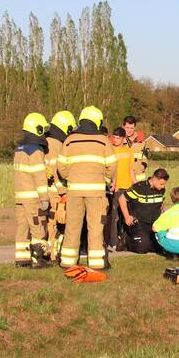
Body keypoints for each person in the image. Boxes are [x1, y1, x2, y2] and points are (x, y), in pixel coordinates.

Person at [57, 106, 116, 270]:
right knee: (95, 227)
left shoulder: (69, 140)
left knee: (72, 227)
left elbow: (61, 166)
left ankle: (68, 261)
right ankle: (96, 263)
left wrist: (70, 178)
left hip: (74, 190)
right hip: (96, 192)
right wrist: (104, 180)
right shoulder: (103, 140)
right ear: (97, 121)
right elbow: (112, 165)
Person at [13, 113, 51, 267]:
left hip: (20, 197)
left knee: (22, 228)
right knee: (37, 228)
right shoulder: (35, 150)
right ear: (38, 129)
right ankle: (37, 259)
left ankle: (21, 259)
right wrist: (44, 198)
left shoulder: (19, 149)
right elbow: (39, 177)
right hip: (32, 198)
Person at [44, 110, 76, 260]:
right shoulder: (56, 145)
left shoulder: (46, 141)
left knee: (48, 223)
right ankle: (53, 254)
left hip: (45, 190)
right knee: (56, 224)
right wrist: (64, 191)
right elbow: (56, 170)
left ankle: (47, 251)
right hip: (55, 192)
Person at [118, 168, 169, 253]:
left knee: (161, 247)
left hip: (154, 224)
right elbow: (121, 199)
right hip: (139, 223)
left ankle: (149, 241)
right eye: (161, 184)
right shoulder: (139, 187)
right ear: (155, 179)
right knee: (142, 249)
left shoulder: (161, 190)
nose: (163, 186)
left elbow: (161, 203)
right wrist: (127, 217)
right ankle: (126, 239)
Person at [105, 127, 137, 250]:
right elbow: (112, 170)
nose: (115, 140)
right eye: (114, 137)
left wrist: (136, 185)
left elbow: (131, 170)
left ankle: (126, 239)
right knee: (114, 216)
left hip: (128, 188)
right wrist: (114, 184)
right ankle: (113, 241)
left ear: (123, 139)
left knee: (127, 215)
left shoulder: (129, 151)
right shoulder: (110, 150)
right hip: (117, 188)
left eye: (118, 138)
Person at [123, 116, 149, 183]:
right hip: (124, 177)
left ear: (135, 127)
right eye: (127, 128)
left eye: (131, 128)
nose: (129, 130)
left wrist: (144, 165)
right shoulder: (118, 140)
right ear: (123, 126)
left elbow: (145, 155)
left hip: (139, 178)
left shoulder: (140, 140)